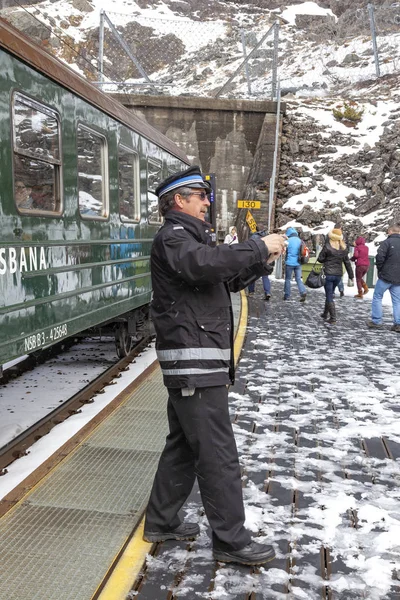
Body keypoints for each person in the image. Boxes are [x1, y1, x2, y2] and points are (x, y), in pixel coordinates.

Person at [143, 165, 287, 566]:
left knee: (185, 446)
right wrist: (257, 246)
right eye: (199, 195)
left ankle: (162, 520)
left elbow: (222, 278)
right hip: (194, 361)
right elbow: (202, 265)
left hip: (199, 360)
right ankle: (230, 540)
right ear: (178, 201)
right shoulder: (174, 238)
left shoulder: (191, 238)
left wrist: (261, 260)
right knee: (218, 453)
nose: (207, 202)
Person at [367, 223, 400, 332]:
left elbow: (379, 257)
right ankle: (398, 323)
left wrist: (381, 270)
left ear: (390, 231)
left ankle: (376, 321)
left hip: (385, 276)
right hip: (398, 278)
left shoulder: (387, 242)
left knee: (377, 296)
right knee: (397, 301)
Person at [318, 228, 354, 324]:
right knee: (330, 293)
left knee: (329, 294)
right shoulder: (343, 248)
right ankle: (325, 313)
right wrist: (351, 275)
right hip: (338, 275)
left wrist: (326, 257)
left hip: (328, 274)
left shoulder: (327, 247)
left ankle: (333, 318)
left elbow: (320, 259)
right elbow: (347, 263)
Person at [283, 227, 307, 302]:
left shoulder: (287, 241)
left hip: (289, 263)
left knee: (287, 279)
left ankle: (287, 295)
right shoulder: (300, 241)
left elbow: (284, 251)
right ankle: (303, 291)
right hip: (298, 263)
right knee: (298, 279)